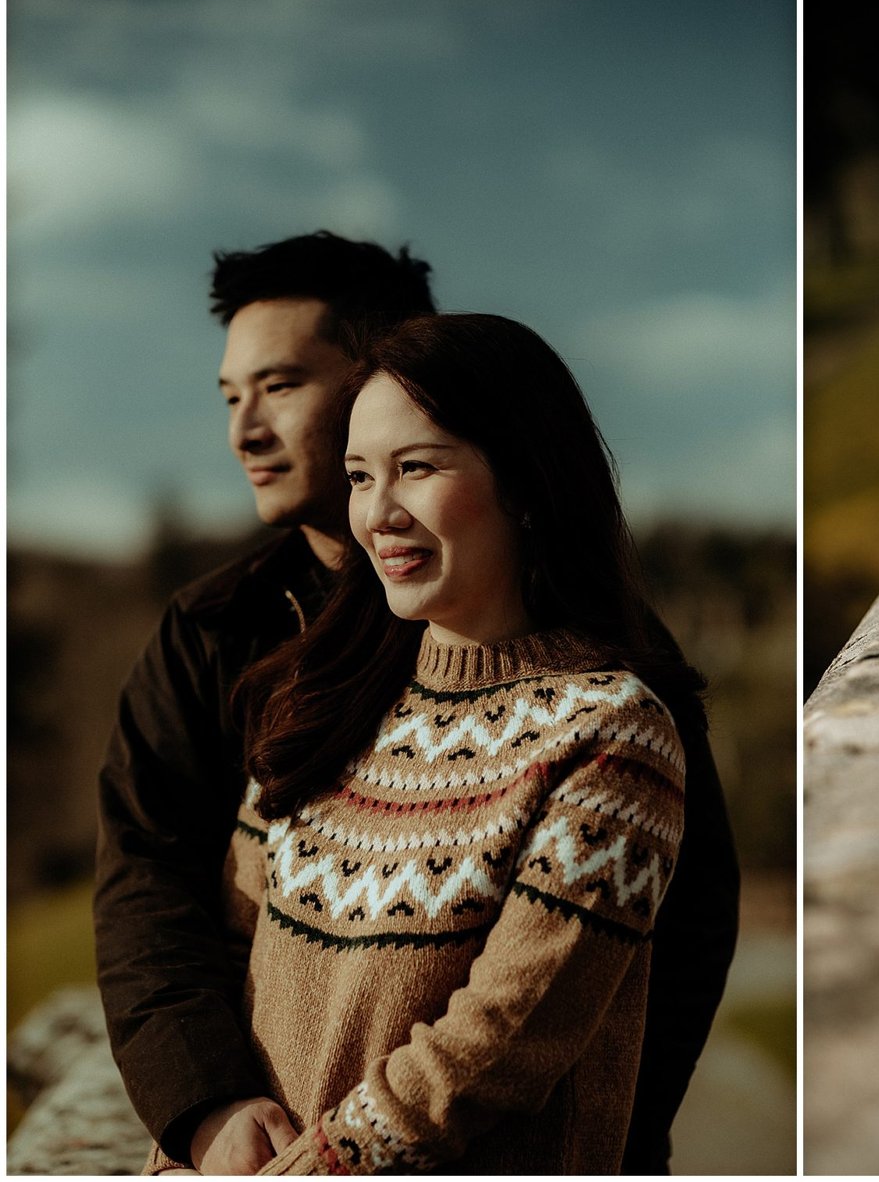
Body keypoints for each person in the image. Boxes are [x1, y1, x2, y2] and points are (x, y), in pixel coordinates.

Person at [94, 233, 739, 1174]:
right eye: (362, 475)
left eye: (278, 386)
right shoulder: (293, 670)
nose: (244, 429)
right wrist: (199, 1118)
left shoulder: (611, 708)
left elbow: (553, 1006)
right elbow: (171, 893)